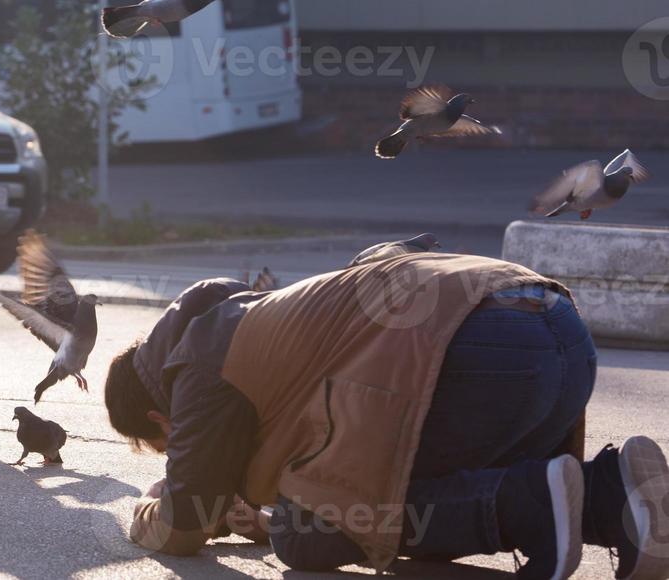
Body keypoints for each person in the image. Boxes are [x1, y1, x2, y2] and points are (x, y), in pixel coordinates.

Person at [104, 249, 669, 580]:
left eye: (168, 446)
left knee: (305, 534)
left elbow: (181, 528)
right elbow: (336, 445)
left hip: (482, 354)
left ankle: (522, 503)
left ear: (160, 418)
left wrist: (146, 510)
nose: (180, 452)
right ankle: (611, 493)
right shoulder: (256, 320)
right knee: (347, 500)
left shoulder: (198, 366)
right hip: (560, 333)